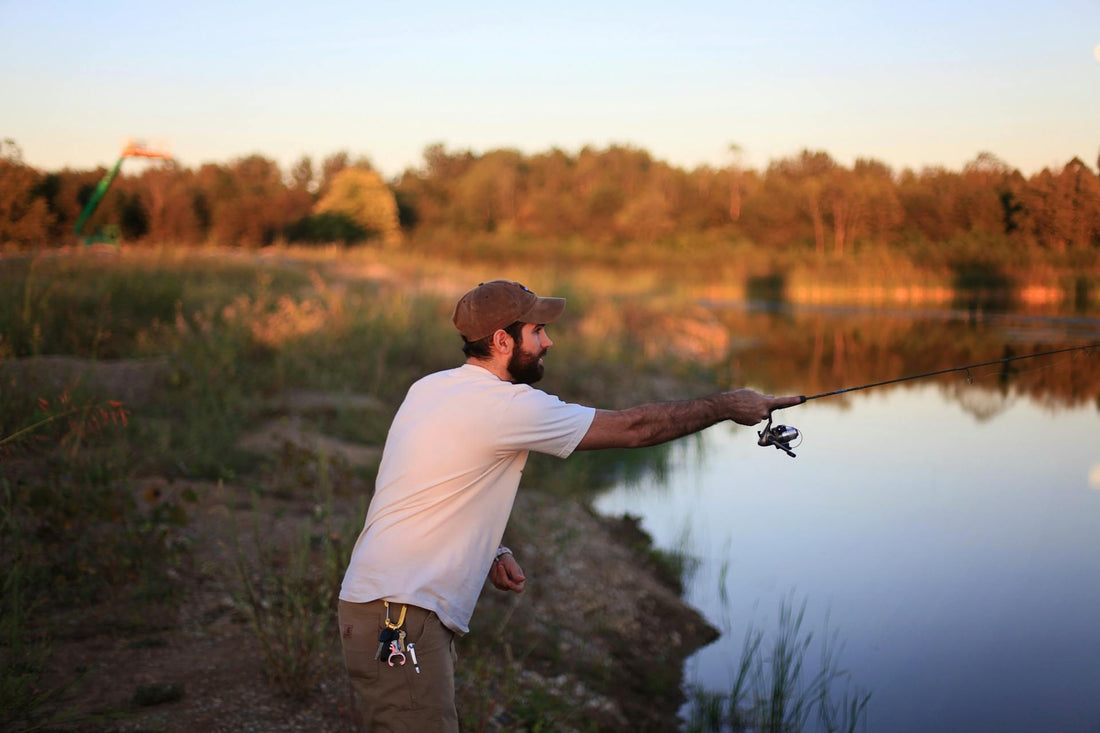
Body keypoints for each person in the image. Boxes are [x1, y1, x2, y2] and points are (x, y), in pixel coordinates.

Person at [337, 279, 801, 731]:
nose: (549, 341)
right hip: (400, 617)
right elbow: (634, 429)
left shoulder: (432, 388)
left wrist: (490, 548)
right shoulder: (506, 405)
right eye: (537, 331)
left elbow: (424, 483)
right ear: (502, 339)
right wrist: (726, 405)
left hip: (387, 607)